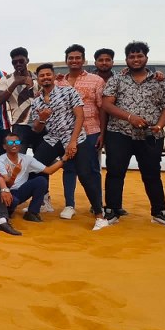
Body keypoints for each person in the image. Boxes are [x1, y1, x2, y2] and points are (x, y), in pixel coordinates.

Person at [101, 42, 165, 228]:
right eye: (132, 57)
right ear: (126, 59)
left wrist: (159, 126)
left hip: (150, 135)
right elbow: (107, 104)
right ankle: (112, 210)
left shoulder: (160, 81)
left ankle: (159, 212)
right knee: (115, 172)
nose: (136, 59)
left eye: (139, 56)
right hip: (119, 133)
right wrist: (130, 117)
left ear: (146, 58)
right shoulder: (117, 79)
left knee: (152, 174)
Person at [31, 63, 109, 231]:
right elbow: (36, 128)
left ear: (54, 76)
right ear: (38, 79)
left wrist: (73, 142)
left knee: (85, 174)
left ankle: (99, 215)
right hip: (53, 138)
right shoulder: (36, 101)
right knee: (35, 166)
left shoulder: (68, 91)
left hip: (75, 136)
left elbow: (80, 116)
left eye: (48, 74)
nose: (45, 77)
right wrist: (42, 118)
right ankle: (39, 204)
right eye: (41, 75)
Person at [55, 44, 106, 220]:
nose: (74, 61)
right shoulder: (58, 82)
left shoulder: (96, 80)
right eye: (71, 58)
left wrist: (102, 133)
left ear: (84, 60)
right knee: (69, 167)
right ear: (66, 60)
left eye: (78, 58)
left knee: (92, 169)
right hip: (66, 133)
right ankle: (69, 205)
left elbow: (102, 108)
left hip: (91, 130)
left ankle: (96, 204)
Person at [0, 134, 67, 223]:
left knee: (41, 181)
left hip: (20, 191)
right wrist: (14, 174)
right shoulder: (0, 161)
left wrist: (64, 158)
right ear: (4, 146)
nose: (14, 144)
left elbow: (49, 170)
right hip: (6, 192)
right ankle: (5, 210)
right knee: (13, 201)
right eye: (10, 143)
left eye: (17, 142)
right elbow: (7, 185)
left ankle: (32, 212)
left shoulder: (27, 159)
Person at [0, 47, 39, 153]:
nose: (18, 64)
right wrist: (15, 83)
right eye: (14, 62)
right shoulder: (6, 79)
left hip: (39, 124)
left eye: (21, 61)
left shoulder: (38, 78)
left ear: (27, 60)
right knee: (17, 157)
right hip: (20, 125)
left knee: (42, 159)